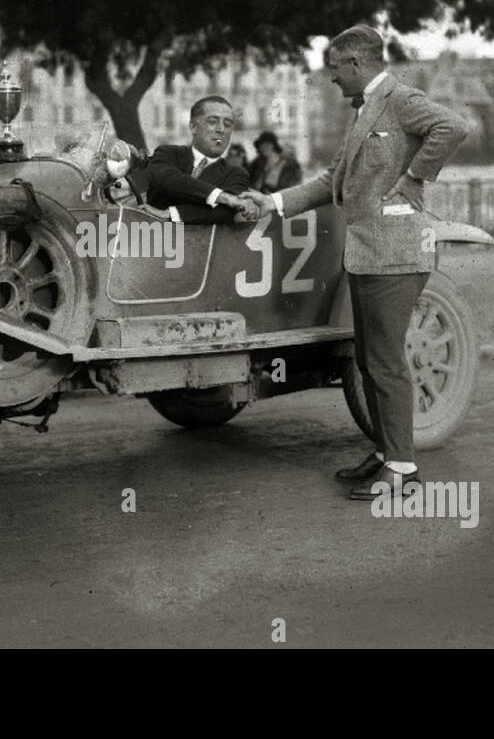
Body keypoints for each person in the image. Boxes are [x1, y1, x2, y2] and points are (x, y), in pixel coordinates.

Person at [242, 25, 469, 500]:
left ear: (355, 63)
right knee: (369, 361)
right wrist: (273, 203)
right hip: (369, 256)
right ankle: (389, 453)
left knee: (385, 364)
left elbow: (454, 126)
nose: (330, 79)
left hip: (397, 255)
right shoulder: (365, 109)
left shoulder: (400, 99)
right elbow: (332, 182)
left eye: (334, 70)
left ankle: (404, 471)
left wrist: (414, 178)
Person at [115, 96, 254, 224]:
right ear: (193, 127)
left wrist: (170, 214)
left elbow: (226, 212)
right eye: (213, 122)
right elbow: (168, 178)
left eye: (228, 124)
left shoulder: (237, 174)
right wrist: (222, 197)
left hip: (200, 247)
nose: (221, 129)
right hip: (151, 242)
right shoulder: (167, 153)